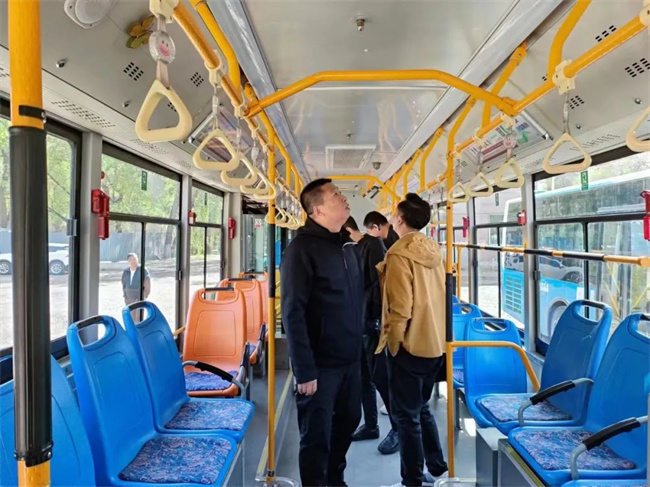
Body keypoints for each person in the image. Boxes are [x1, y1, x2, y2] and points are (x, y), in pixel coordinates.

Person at [281, 179, 364, 487]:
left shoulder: (347, 246)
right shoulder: (301, 250)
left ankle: (335, 480)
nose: (343, 197)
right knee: (316, 438)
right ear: (317, 210)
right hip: (319, 366)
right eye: (336, 195)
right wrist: (304, 370)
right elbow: (293, 312)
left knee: (348, 423)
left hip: (351, 361)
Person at [377, 194, 448, 487]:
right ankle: (437, 467)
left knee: (405, 417)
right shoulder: (434, 249)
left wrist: (393, 344)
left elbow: (400, 309)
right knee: (420, 407)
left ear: (400, 220)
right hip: (436, 343)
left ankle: (413, 481)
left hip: (410, 345)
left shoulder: (398, 255)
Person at [342, 216, 400, 455]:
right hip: (361, 322)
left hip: (372, 322)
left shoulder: (372, 245)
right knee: (365, 376)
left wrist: (373, 317)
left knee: (380, 377)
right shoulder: (356, 248)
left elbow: (378, 285)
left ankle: (397, 428)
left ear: (347, 230)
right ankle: (371, 425)